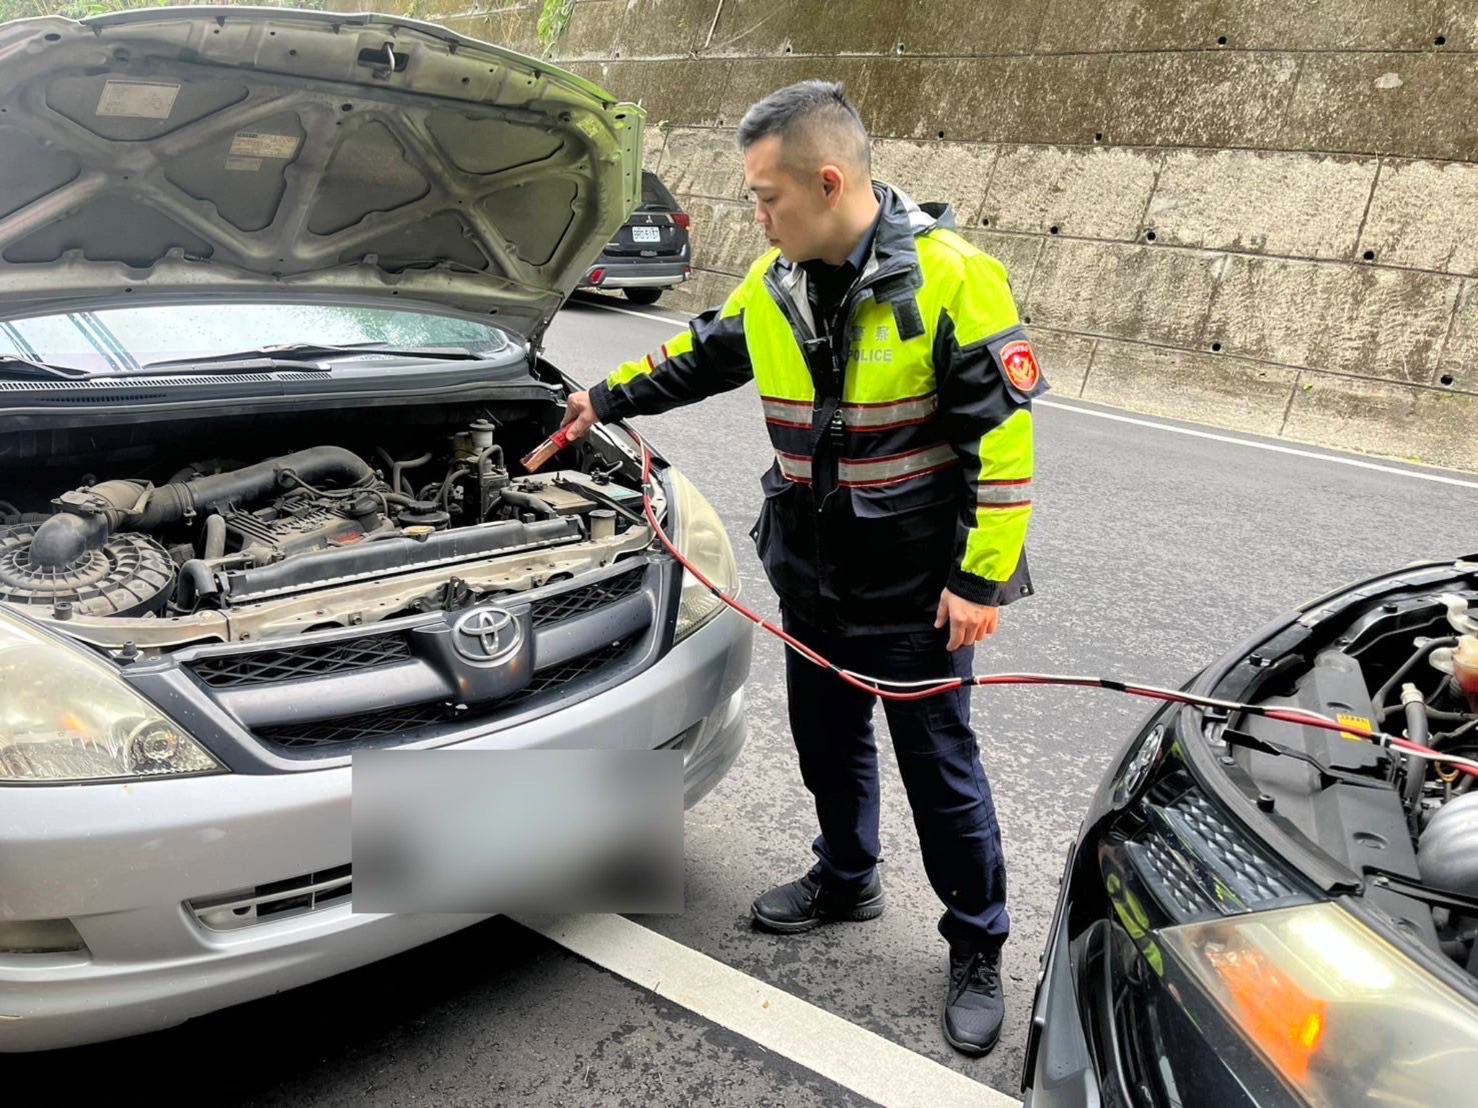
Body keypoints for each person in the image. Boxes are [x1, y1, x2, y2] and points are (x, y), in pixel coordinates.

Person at [560, 79, 1046, 1056]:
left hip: (917, 586)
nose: (757, 215)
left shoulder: (956, 280)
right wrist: (594, 404)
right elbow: (697, 356)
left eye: (765, 196)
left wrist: (979, 582)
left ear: (827, 182)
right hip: (814, 569)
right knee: (826, 739)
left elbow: (1004, 445)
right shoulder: (775, 282)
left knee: (940, 771)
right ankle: (845, 875)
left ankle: (976, 943)